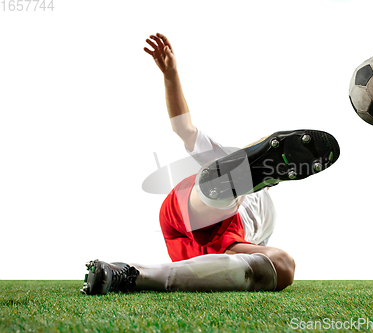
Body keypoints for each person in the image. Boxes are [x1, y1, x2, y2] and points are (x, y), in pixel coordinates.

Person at [80, 33, 340, 295]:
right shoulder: (223, 158)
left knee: (283, 265)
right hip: (192, 209)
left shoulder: (265, 217)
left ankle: (125, 274)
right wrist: (170, 75)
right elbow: (184, 127)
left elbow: (248, 256)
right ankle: (237, 183)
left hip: (223, 244)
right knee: (219, 185)